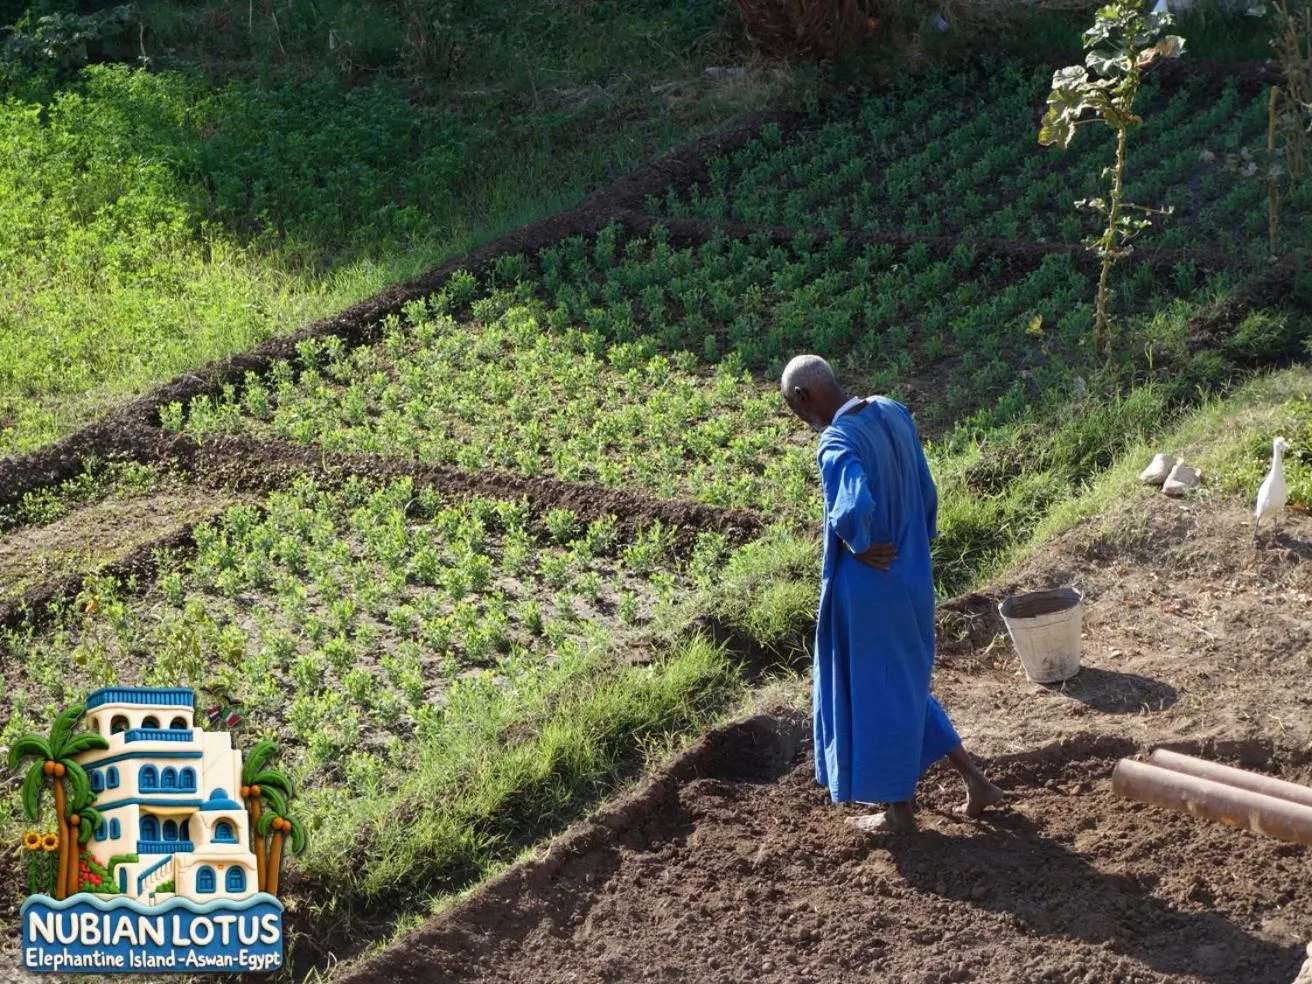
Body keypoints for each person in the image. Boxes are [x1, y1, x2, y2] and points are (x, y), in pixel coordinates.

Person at [781, 354, 1003, 833]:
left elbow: (852, 505)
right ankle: (976, 781)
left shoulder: (837, 441)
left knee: (876, 693)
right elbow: (926, 490)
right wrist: (915, 542)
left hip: (870, 590)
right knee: (903, 686)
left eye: (794, 409)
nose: (800, 419)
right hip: (912, 575)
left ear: (804, 397)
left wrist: (857, 543)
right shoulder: (892, 411)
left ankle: (899, 811)